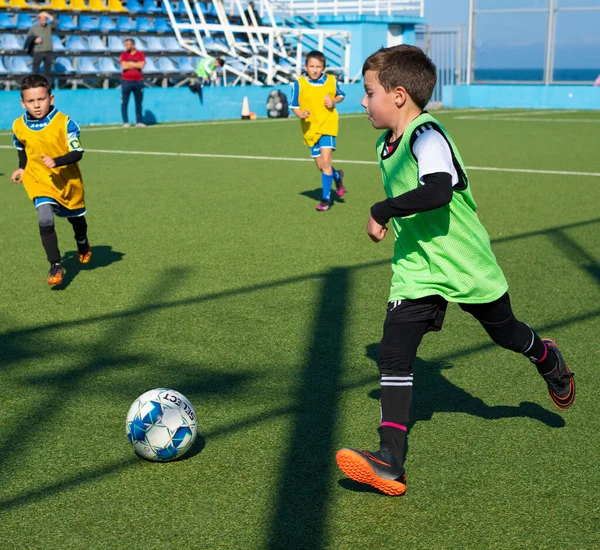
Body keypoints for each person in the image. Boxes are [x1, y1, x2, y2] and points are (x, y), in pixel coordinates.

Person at [335, 45, 575, 496]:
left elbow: (438, 191)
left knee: (505, 334)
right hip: (417, 270)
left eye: (368, 93)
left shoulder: (428, 136)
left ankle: (547, 357)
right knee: (393, 350)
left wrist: (382, 208)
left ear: (399, 95)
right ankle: (389, 462)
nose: (362, 102)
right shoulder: (384, 144)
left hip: (466, 263)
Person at [11, 74, 91, 287]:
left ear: (51, 98)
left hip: (67, 181)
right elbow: (21, 146)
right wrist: (22, 167)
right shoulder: (18, 125)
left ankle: (82, 243)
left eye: (41, 99)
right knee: (45, 220)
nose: (36, 105)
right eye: (31, 101)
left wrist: (57, 161)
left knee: (77, 220)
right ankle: (55, 264)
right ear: (23, 102)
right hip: (38, 179)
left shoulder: (65, 123)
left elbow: (78, 152)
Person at [290, 51, 345, 211]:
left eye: (318, 67)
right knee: (321, 165)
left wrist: (333, 100)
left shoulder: (331, 81)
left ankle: (325, 199)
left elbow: (340, 95)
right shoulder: (298, 84)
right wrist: (300, 113)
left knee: (326, 161)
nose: (315, 70)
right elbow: (294, 106)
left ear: (323, 68)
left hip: (328, 124)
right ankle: (337, 176)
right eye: (312, 66)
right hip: (310, 129)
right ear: (305, 66)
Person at [120, 38, 146, 128]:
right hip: (126, 81)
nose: (126, 46)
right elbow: (124, 66)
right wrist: (135, 64)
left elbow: (141, 65)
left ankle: (139, 121)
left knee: (138, 102)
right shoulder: (124, 55)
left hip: (138, 81)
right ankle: (126, 122)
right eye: (125, 45)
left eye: (128, 45)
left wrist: (130, 63)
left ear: (133, 45)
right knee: (125, 102)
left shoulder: (140, 54)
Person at [27, 11, 57, 78]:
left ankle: (46, 86)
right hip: (38, 52)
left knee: (47, 72)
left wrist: (48, 15)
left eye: (45, 19)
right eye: (42, 19)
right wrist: (34, 40)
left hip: (48, 52)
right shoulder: (34, 28)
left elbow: (56, 23)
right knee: (35, 71)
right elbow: (28, 37)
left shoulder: (49, 27)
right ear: (39, 19)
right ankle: (34, 85)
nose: (44, 21)